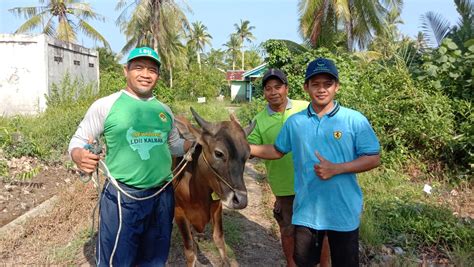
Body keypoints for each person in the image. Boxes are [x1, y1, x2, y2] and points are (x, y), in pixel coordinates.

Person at [250, 58, 381, 267]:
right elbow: (276, 150)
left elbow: (373, 157)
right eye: (315, 84)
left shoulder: (354, 120)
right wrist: (243, 146)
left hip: (343, 212)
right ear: (306, 87)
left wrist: (337, 168)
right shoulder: (296, 122)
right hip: (306, 212)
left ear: (336, 87)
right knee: (303, 262)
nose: (321, 89)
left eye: (327, 84)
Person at [69, 46, 191, 266]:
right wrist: (78, 155)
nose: (145, 74)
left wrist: (197, 143)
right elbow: (78, 139)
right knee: (118, 260)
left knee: (154, 258)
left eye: (152, 70)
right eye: (138, 67)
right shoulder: (106, 105)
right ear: (126, 71)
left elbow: (174, 146)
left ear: (158, 76)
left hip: (162, 196)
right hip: (122, 197)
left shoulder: (164, 110)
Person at [247, 68, 308, 267]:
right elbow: (251, 149)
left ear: (286, 88)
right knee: (288, 231)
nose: (273, 92)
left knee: (319, 232)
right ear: (263, 93)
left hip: (314, 183)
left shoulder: (306, 108)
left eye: (278, 87)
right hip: (284, 187)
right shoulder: (259, 120)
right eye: (268, 88)